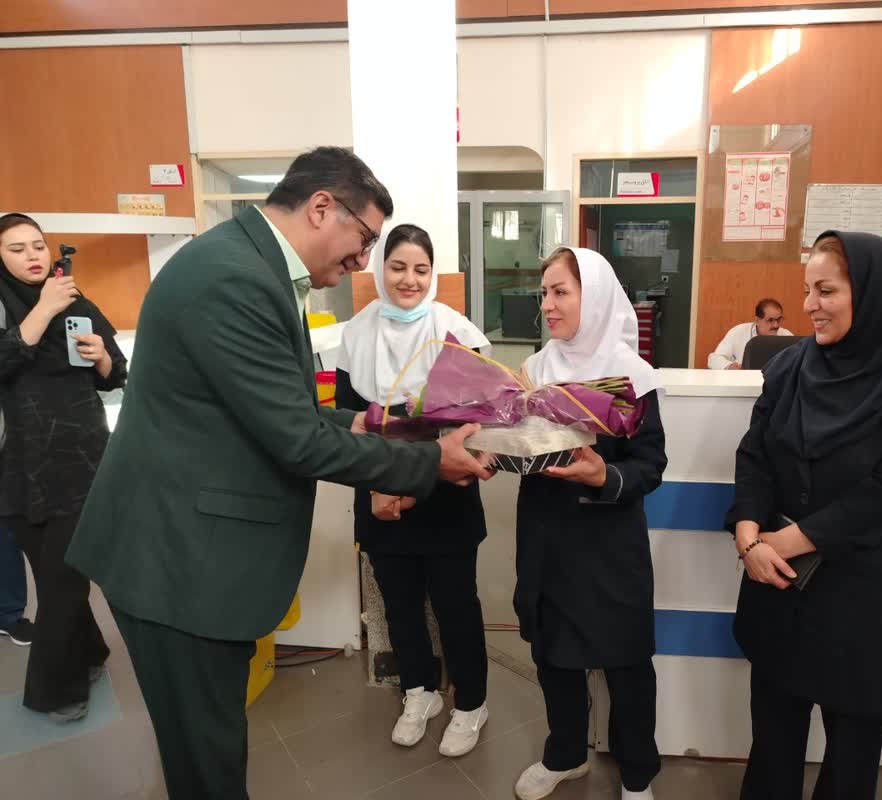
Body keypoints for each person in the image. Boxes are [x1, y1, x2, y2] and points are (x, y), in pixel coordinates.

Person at [66, 148, 492, 800]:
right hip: (177, 563)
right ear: (322, 207)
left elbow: (276, 408)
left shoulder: (247, 264)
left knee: (210, 747)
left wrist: (364, 423)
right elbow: (296, 441)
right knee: (206, 763)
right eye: (365, 240)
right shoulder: (233, 279)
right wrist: (432, 461)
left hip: (189, 553)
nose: (362, 261)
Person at [726, 231, 882, 800]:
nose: (809, 306)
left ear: (875, 294)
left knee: (852, 751)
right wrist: (748, 535)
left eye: (826, 291)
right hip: (780, 582)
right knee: (773, 736)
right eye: (808, 290)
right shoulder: (790, 366)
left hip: (864, 595)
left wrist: (782, 543)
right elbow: (756, 455)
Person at [512, 247, 665, 800]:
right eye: (544, 293)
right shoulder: (534, 370)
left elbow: (650, 465)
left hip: (609, 541)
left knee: (626, 664)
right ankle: (566, 754)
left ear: (594, 298)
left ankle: (637, 773)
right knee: (554, 655)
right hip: (546, 535)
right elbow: (523, 447)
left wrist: (605, 475)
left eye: (561, 292)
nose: (548, 305)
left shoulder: (631, 376)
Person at [336, 224, 491, 757]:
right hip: (380, 492)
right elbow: (351, 424)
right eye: (398, 267)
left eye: (421, 269)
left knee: (455, 603)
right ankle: (419, 691)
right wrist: (379, 487)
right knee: (399, 603)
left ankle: (471, 703)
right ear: (382, 270)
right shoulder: (356, 334)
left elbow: (478, 424)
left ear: (433, 273)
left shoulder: (456, 332)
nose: (409, 279)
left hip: (446, 491)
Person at [0, 212, 126, 720]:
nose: (33, 256)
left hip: (80, 460)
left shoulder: (78, 302)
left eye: (38, 245)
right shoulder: (19, 307)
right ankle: (91, 651)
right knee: (53, 575)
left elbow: (117, 372)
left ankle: (55, 689)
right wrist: (43, 310)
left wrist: (101, 359)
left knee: (66, 578)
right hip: (16, 468)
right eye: (16, 249)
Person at [708, 298, 793, 369]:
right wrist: (730, 366)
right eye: (770, 320)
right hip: (744, 381)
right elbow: (714, 359)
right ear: (757, 320)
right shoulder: (739, 331)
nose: (776, 325)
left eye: (779, 319)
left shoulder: (787, 336)